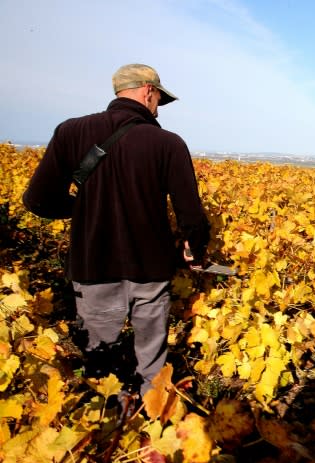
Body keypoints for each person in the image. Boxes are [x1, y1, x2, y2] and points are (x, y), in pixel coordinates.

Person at [23, 63, 210, 398]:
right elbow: (192, 217)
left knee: (99, 364)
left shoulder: (70, 132)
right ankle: (150, 425)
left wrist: (80, 210)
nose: (157, 108)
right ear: (148, 92)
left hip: (93, 267)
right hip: (151, 270)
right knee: (152, 365)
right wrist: (192, 251)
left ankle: (110, 422)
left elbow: (37, 200)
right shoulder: (168, 143)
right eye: (158, 100)